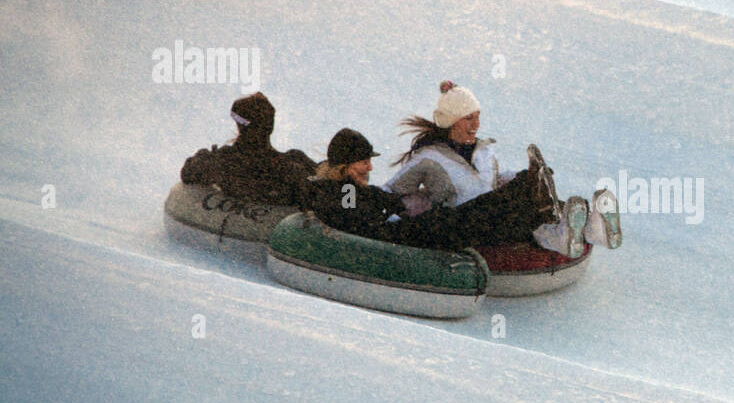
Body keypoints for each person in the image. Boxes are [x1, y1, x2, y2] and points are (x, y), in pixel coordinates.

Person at [384, 81, 621, 256]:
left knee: (526, 193)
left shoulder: (484, 150)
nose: (476, 124)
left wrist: (524, 178)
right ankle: (563, 232)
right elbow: (389, 192)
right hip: (464, 221)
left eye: (477, 117)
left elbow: (498, 179)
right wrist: (399, 224)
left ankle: (590, 229)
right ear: (451, 122)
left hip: (495, 212)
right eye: (468, 118)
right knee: (523, 200)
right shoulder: (429, 157)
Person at [307, 127, 561, 252]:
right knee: (471, 218)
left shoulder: (343, 189)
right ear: (345, 165)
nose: (370, 167)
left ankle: (530, 192)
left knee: (469, 215)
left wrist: (400, 204)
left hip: (398, 231)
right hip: (396, 238)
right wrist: (394, 211)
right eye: (363, 162)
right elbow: (358, 223)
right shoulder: (344, 192)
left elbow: (372, 202)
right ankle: (530, 196)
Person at [180, 93, 316, 205]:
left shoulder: (222, 161)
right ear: (270, 127)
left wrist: (205, 155)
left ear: (239, 125)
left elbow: (188, 172)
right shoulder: (292, 164)